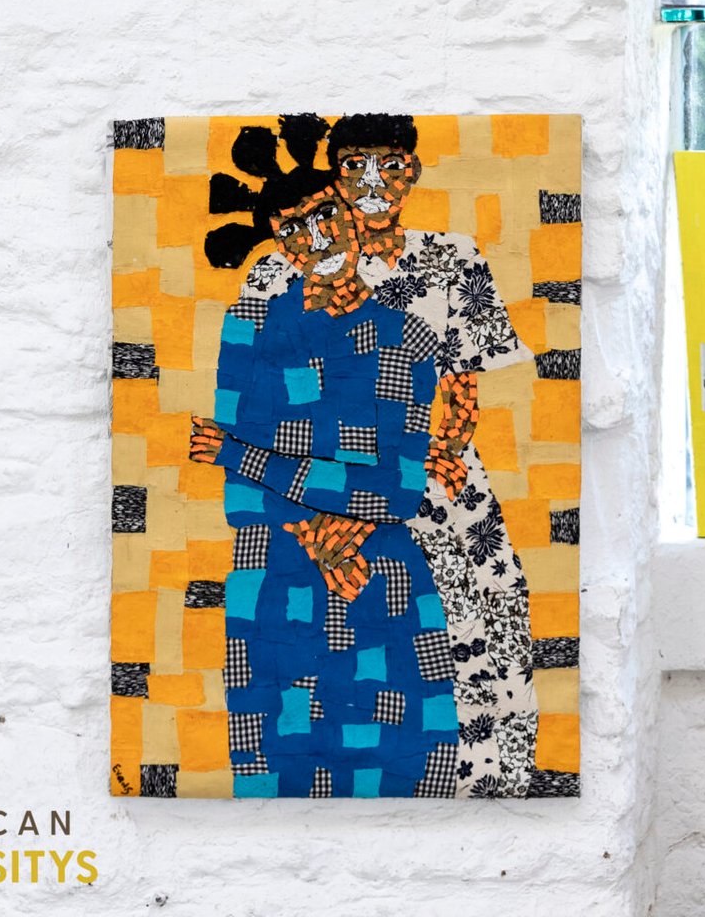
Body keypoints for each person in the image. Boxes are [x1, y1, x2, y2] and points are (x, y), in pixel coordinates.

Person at [243, 113, 537, 796]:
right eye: (355, 165)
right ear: (333, 175)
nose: (373, 182)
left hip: (432, 483)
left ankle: (489, 784)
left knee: (480, 629)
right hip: (313, 491)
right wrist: (329, 515)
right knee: (325, 658)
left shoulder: (451, 259)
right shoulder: (280, 271)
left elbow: (460, 389)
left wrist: (408, 480)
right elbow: (262, 406)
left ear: (415, 170)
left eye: (391, 164)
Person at [192, 188, 460, 798]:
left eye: (324, 216)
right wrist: (318, 522)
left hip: (377, 574)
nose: (315, 239)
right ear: (280, 245)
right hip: (273, 568)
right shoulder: (249, 328)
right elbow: (241, 497)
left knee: (405, 766)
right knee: (273, 764)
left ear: (352, 216)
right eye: (292, 228)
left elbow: (397, 491)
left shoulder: (407, 338)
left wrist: (242, 455)